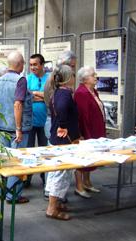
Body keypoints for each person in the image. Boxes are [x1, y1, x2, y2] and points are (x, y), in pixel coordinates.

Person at [0, 51, 33, 204]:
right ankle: (13, 195)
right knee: (16, 161)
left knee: (4, 161)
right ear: (19, 64)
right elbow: (18, 104)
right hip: (16, 129)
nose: (24, 66)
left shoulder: (0, 79)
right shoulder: (20, 80)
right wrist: (18, 128)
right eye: (23, 63)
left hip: (2, 126)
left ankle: (1, 191)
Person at [45, 65, 80, 220]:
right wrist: (64, 125)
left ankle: (56, 203)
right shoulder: (65, 94)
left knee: (57, 172)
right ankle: (52, 209)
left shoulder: (58, 92)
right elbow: (61, 107)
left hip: (58, 139)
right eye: (73, 75)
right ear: (68, 78)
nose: (74, 77)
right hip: (63, 140)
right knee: (60, 173)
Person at [73, 66, 106, 198]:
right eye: (93, 75)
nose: (96, 77)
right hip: (86, 131)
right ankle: (79, 186)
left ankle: (87, 182)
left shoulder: (93, 91)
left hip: (95, 129)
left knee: (91, 158)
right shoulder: (81, 93)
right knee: (82, 158)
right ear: (85, 79)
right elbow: (82, 116)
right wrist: (85, 135)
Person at [25, 54, 49, 188]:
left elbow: (50, 96)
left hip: (46, 121)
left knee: (44, 152)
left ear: (42, 65)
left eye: (35, 64)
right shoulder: (28, 79)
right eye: (31, 64)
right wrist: (40, 95)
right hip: (30, 122)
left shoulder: (49, 79)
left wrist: (35, 93)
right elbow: (27, 96)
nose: (33, 67)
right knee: (28, 152)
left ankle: (45, 178)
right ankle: (26, 179)